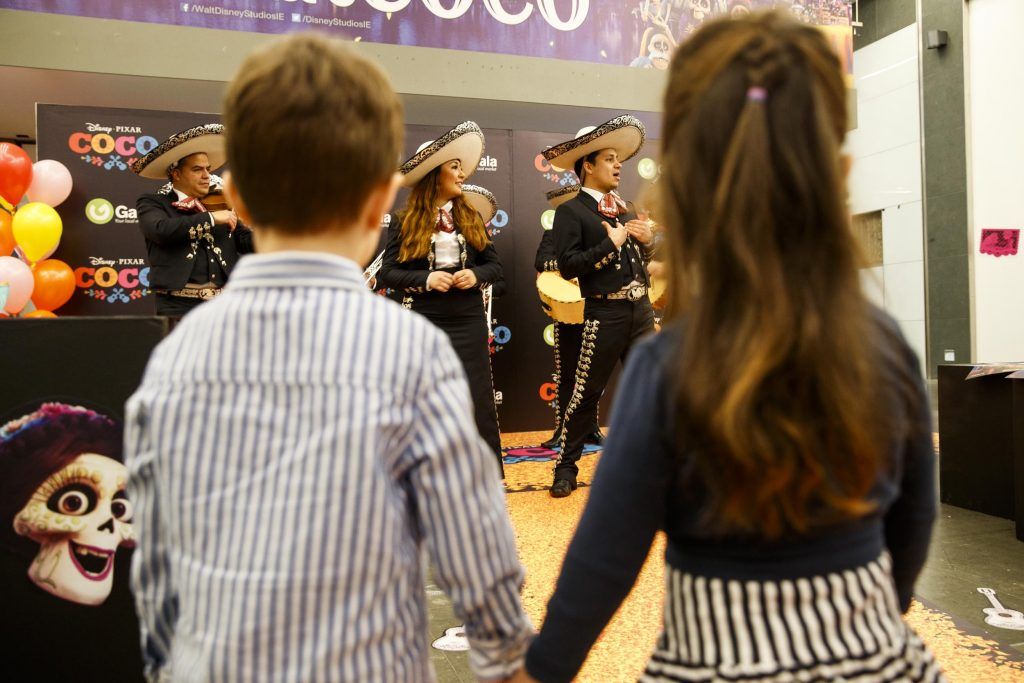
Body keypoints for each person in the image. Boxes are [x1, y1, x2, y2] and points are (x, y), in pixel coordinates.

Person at [513, 11, 943, 683]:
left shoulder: (667, 367)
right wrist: (872, 616)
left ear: (681, 190)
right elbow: (915, 517)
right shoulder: (884, 342)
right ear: (842, 171)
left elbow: (606, 556)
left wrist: (541, 669)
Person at [124, 34, 531, 682]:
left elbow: (152, 564)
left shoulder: (173, 360)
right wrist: (508, 659)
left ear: (242, 203)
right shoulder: (414, 354)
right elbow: (477, 552)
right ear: (379, 202)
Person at [378, 123, 505, 473]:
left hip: (468, 317)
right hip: (424, 319)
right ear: (436, 174)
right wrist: (426, 279)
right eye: (454, 167)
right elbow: (388, 272)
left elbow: (495, 266)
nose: (462, 173)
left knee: (478, 395)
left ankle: (486, 472)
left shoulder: (470, 215)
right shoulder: (405, 220)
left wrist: (475, 275)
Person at [544, 115, 656, 498]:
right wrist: (610, 244)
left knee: (652, 388)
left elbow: (642, 259)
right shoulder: (570, 212)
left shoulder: (625, 209)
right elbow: (569, 266)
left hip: (639, 312)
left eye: (617, 158)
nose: (617, 164)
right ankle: (566, 467)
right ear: (587, 166)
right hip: (603, 313)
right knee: (586, 392)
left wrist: (647, 239)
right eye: (609, 158)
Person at [132, 124, 253, 316]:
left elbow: (246, 242)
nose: (207, 176)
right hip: (177, 305)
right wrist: (211, 218)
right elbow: (160, 231)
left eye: (208, 169)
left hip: (224, 305)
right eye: (198, 169)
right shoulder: (153, 202)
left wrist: (272, 228)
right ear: (176, 174)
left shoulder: (221, 202)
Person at [534, 184, 604, 449]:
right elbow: (541, 261)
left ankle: (591, 428)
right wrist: (572, 266)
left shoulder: (598, 231)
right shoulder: (552, 233)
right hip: (566, 311)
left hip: (596, 308)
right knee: (566, 373)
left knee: (593, 374)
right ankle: (562, 429)